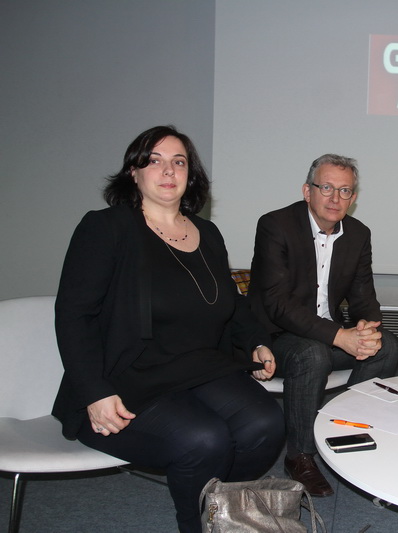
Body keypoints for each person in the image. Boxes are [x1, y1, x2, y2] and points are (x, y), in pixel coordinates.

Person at [53, 125, 285, 533]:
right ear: (133, 173)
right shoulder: (106, 228)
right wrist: (94, 391)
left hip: (196, 367)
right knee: (204, 440)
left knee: (265, 424)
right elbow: (74, 315)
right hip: (124, 379)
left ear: (190, 176)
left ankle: (221, 513)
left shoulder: (207, 234)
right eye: (154, 160)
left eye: (178, 162)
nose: (167, 171)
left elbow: (230, 304)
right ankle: (197, 525)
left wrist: (256, 341)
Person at [248, 154, 398, 497]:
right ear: (307, 191)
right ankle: (299, 455)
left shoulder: (358, 234)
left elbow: (363, 295)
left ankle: (347, 431)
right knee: (312, 354)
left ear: (354, 197)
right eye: (327, 187)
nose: (335, 198)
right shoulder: (276, 225)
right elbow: (277, 304)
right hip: (276, 338)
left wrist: (366, 329)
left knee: (387, 346)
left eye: (345, 191)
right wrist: (339, 336)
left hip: (328, 333)